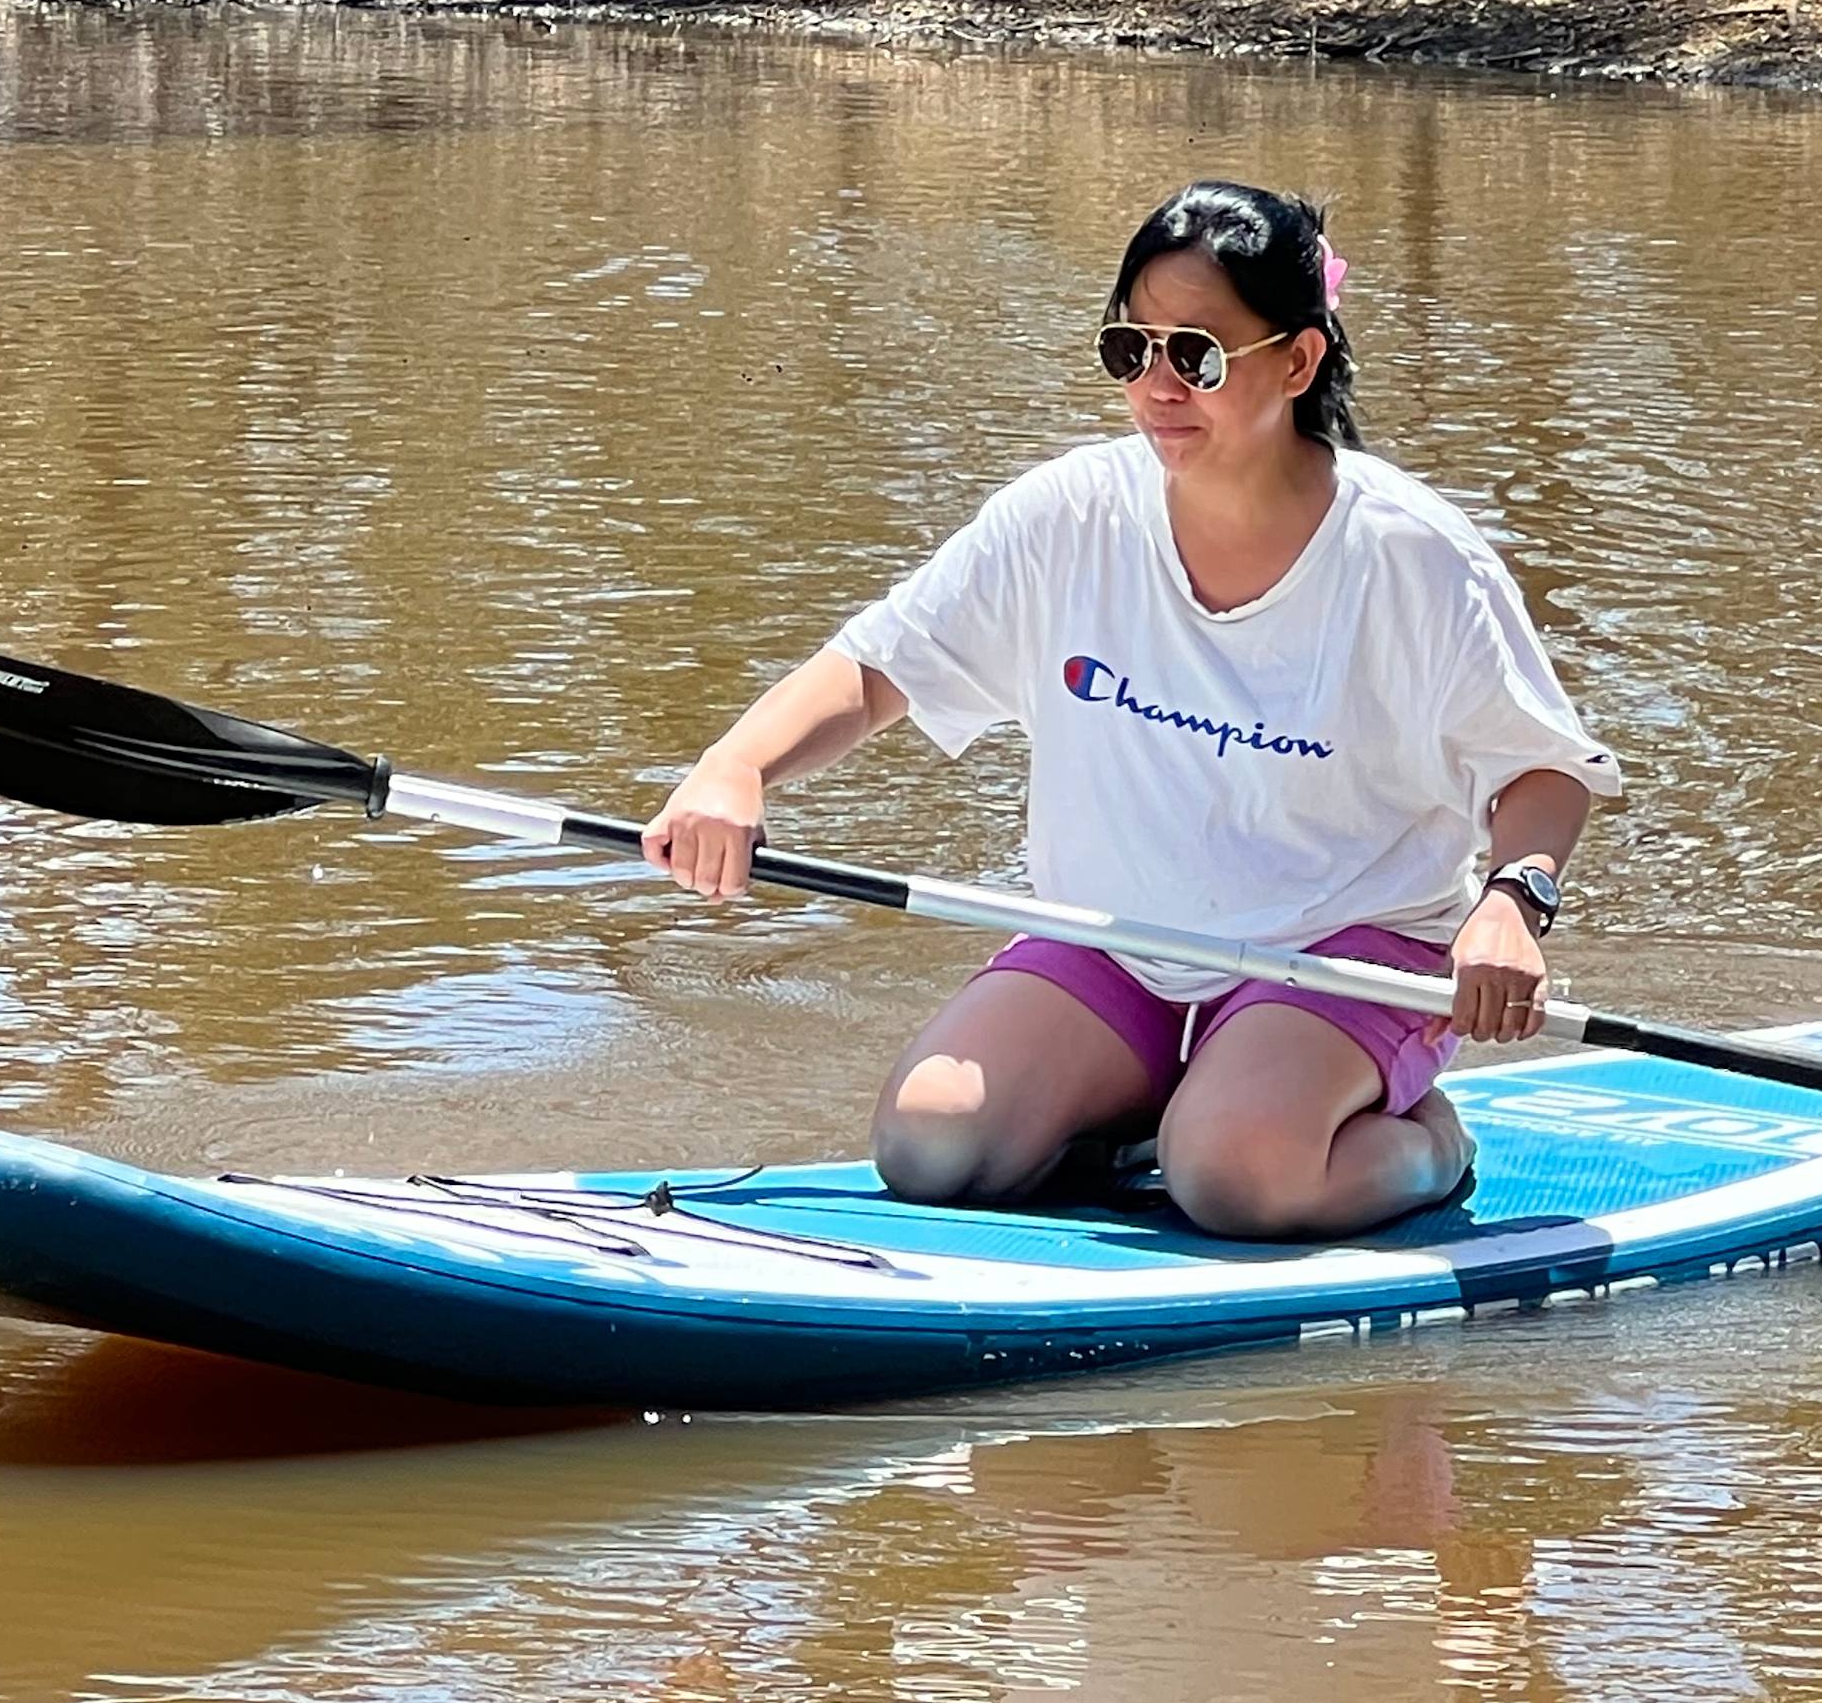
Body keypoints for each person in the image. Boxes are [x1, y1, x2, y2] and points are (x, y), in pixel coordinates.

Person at [640, 179, 1620, 1242]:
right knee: (931, 1149)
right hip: (1119, 944)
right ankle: (1173, 1106)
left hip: (1344, 949)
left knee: (1235, 1180)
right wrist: (734, 769)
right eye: (1130, 351)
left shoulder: (1416, 558)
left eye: (1196, 356)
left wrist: (1510, 905)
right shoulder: (1065, 514)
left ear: (1298, 361)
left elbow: (1542, 771)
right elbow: (879, 668)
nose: (1158, 387)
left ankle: (1424, 1140)